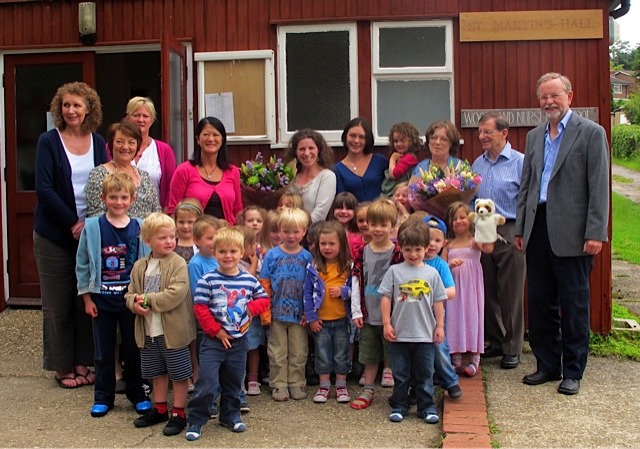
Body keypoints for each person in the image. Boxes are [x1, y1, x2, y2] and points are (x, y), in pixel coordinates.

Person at [514, 72, 609, 395]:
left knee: (574, 302)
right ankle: (547, 365)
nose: (549, 102)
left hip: (574, 231)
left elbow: (599, 188)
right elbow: (527, 185)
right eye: (543, 97)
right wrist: (521, 228)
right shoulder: (534, 136)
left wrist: (596, 232)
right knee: (540, 301)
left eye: (554, 95)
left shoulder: (591, 134)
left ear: (570, 95)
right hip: (537, 227)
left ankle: (573, 370)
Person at [34, 81, 109, 389]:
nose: (71, 110)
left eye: (77, 105)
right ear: (58, 109)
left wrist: (91, 225)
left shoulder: (99, 141)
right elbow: (44, 188)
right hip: (54, 233)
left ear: (89, 108)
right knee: (58, 303)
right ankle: (63, 367)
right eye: (66, 105)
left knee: (84, 301)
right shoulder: (49, 141)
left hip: (89, 234)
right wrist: (72, 223)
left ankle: (83, 362)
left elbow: (106, 182)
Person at [76, 173, 151, 418]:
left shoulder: (140, 227)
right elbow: (83, 264)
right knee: (103, 351)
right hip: (102, 300)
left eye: (123, 197)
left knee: (133, 349)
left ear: (132, 199)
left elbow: (148, 264)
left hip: (130, 302)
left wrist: (145, 297)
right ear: (103, 198)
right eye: (113, 197)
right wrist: (87, 298)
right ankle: (103, 396)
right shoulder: (93, 227)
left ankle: (137, 393)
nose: (118, 202)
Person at [185, 227, 270, 440]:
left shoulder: (248, 280)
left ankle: (230, 415)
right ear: (214, 253)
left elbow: (264, 299)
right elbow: (200, 308)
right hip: (213, 341)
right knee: (207, 381)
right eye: (222, 252)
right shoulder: (208, 280)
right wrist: (217, 331)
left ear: (241, 253)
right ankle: (196, 419)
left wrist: (251, 309)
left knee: (233, 382)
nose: (228, 256)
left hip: (239, 342)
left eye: (233, 251)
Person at [125, 212, 197, 436]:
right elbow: (130, 293)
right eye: (163, 238)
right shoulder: (140, 266)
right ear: (148, 241)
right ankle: (159, 408)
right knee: (156, 372)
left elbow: (175, 294)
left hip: (172, 331)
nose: (169, 242)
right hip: (148, 330)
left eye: (172, 237)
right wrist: (133, 304)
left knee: (178, 373)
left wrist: (146, 300)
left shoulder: (178, 263)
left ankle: (179, 412)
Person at [471, 112, 525, 370]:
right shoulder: (477, 165)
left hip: (510, 229)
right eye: (480, 132)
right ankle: (495, 339)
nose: (482, 136)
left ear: (504, 133)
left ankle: (512, 347)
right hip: (483, 228)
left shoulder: (520, 163)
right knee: (488, 287)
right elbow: (471, 198)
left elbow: (527, 201)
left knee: (511, 290)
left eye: (487, 132)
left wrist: (522, 232)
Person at [380, 222, 447, 424]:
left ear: (426, 248)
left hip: (425, 334)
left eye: (418, 249)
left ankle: (426, 406)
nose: (413, 254)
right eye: (408, 249)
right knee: (400, 374)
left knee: (425, 374)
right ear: (400, 248)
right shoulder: (394, 271)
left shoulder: (432, 273)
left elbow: (438, 301)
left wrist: (440, 326)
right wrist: (386, 323)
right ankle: (400, 404)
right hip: (399, 334)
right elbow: (385, 298)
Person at [349, 199, 403, 409]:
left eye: (383, 225)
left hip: (393, 316)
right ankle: (368, 389)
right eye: (374, 224)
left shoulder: (397, 253)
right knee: (370, 353)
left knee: (395, 354)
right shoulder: (363, 252)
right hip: (369, 313)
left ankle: (400, 390)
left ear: (392, 226)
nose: (378, 229)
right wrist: (356, 311)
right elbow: (356, 281)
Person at [259, 208, 313, 402]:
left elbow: (312, 287)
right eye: (286, 231)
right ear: (279, 230)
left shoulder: (307, 257)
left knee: (299, 351)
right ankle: (279, 384)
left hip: (299, 315)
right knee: (277, 351)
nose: (291, 236)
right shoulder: (272, 256)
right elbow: (264, 284)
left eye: (296, 231)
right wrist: (265, 313)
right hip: (277, 312)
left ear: (304, 231)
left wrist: (310, 312)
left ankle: (297, 383)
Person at [442, 202, 494, 377]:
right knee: (454, 319)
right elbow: (441, 267)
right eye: (454, 218)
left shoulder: (474, 241)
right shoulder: (448, 245)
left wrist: (485, 225)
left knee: (473, 317)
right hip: (454, 289)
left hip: (471, 288)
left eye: (462, 217)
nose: (458, 221)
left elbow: (488, 248)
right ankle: (455, 359)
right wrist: (449, 265)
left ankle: (474, 359)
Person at [304, 221, 353, 404]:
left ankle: (341, 385)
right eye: (323, 243)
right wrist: (311, 318)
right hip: (321, 321)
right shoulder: (314, 267)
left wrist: (343, 292)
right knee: (322, 354)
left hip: (341, 319)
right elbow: (307, 293)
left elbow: (354, 290)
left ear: (341, 244)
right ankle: (324, 386)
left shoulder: (348, 266)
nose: (327, 247)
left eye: (332, 243)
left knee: (341, 354)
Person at [167, 117, 243, 224]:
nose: (211, 139)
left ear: (222, 140)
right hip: (193, 236)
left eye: (216, 135)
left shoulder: (232, 171)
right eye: (206, 134)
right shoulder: (184, 170)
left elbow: (238, 210)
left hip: (225, 236)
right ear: (198, 139)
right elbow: (173, 210)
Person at [420, 215, 461, 399]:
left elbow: (452, 291)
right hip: (414, 316)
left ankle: (450, 380)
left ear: (444, 242)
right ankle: (420, 386)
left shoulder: (440, 265)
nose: (432, 244)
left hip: (436, 317)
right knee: (418, 353)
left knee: (439, 349)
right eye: (428, 239)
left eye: (437, 240)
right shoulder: (411, 262)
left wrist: (433, 293)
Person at [85, 121, 161, 219]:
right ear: (111, 144)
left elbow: (156, 210)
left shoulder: (144, 175)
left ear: (137, 146)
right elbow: (96, 215)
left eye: (131, 142)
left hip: (147, 233)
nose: (125, 147)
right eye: (120, 142)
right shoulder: (99, 174)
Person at [125, 96, 177, 209]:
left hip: (154, 218)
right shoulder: (114, 148)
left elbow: (171, 187)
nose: (140, 120)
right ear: (128, 118)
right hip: (120, 217)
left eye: (145, 116)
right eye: (136, 115)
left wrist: (166, 216)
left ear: (152, 120)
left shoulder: (164, 151)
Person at [285, 129, 337, 223]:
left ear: (319, 150)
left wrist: (299, 229)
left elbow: (320, 213)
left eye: (311, 148)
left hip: (312, 232)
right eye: (302, 149)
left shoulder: (327, 176)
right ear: (295, 152)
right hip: (286, 232)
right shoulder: (288, 175)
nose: (307, 153)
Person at [334, 118, 387, 202]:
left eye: (362, 137)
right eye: (352, 136)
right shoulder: (337, 170)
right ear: (345, 137)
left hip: (382, 214)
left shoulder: (380, 161)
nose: (356, 141)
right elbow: (342, 201)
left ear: (367, 140)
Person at [381, 122, 421, 197]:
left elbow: (394, 174)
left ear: (411, 142)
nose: (399, 144)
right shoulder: (400, 156)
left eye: (402, 141)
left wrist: (392, 159)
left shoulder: (410, 158)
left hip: (398, 195)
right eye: (396, 141)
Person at [173, 198, 204, 263]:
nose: (185, 226)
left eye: (190, 222)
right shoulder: (172, 242)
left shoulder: (202, 244)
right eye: (181, 222)